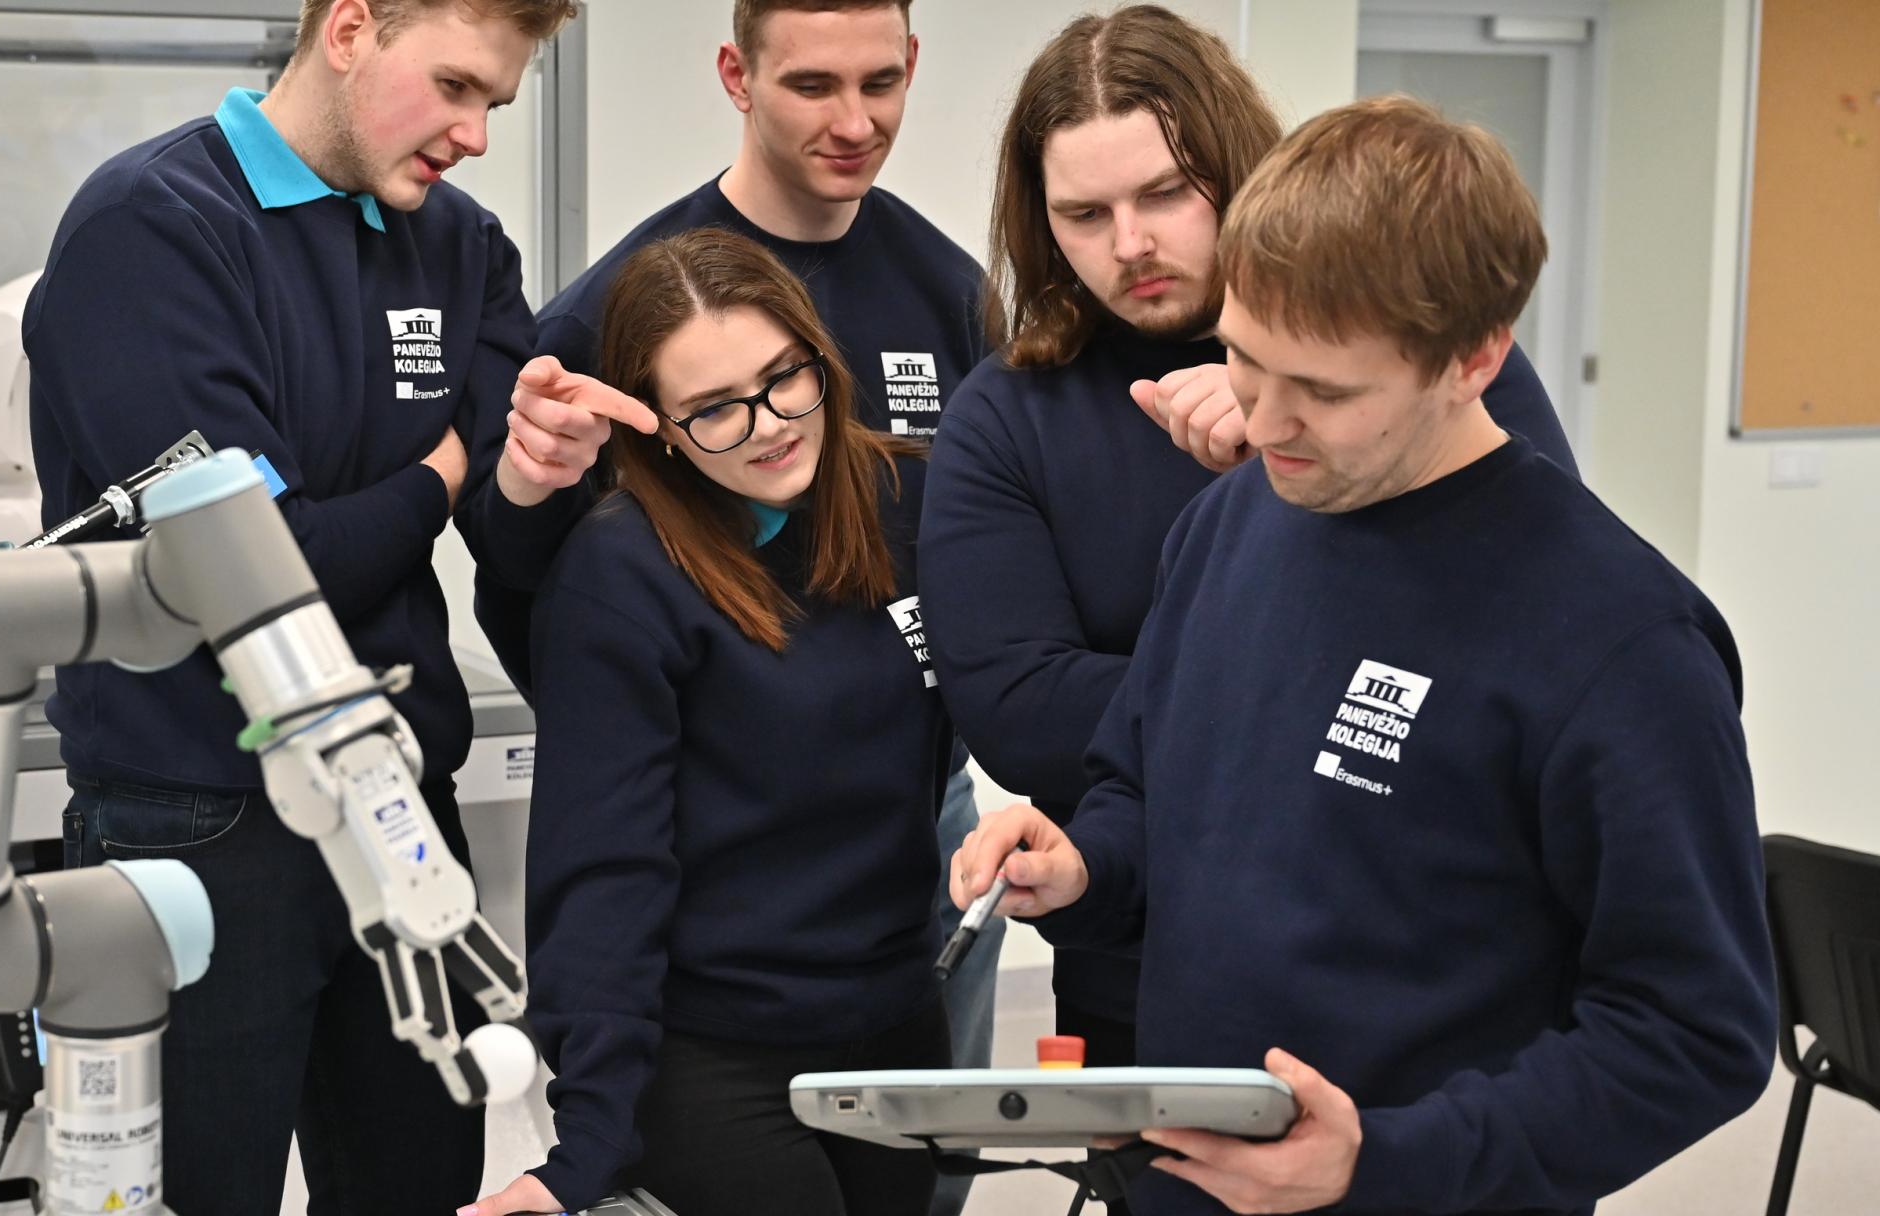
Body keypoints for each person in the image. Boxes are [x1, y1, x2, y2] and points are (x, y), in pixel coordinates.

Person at [950, 94, 1776, 1216]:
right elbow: (1147, 791)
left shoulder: (1622, 641)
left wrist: (1382, 1159)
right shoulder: (1230, 522)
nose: (1264, 423)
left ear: (1475, 358)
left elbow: (1695, 1031)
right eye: (1245, 360)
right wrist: (1086, 866)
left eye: (1326, 391)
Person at [23, 1, 655, 1211]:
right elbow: (264, 573)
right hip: (198, 815)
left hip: (398, 802)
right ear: (353, 27)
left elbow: (510, 545)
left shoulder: (461, 244)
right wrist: (445, 470)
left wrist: (532, 474)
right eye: (455, 87)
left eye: (496, 103)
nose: (476, 135)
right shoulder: (152, 229)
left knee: (420, 1181)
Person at [919, 5, 1578, 1068]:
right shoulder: (1008, 414)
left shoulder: (1419, 358)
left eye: (1166, 194)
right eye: (1084, 213)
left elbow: (1532, 622)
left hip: (1432, 954)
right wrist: (1315, 702)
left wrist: (1291, 458)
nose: (1130, 244)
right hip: (1148, 955)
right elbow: (1025, 715)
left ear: (1236, 168)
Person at [486, 9, 1001, 1184]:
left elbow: (1004, 592)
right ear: (738, 75)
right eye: (813, 84)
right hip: (718, 937)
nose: (854, 120)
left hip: (896, 884)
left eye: (880, 82)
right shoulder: (607, 327)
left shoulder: (945, 304)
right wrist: (721, 734)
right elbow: (548, 631)